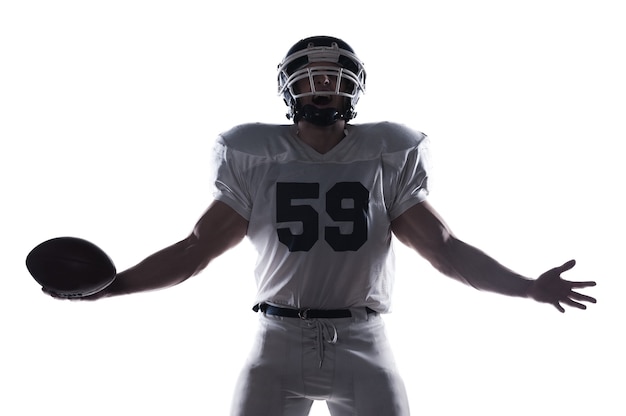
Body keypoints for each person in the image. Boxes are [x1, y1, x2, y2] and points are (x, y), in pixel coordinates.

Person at [52, 36, 597, 415]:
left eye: (331, 80)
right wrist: (112, 286)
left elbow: (446, 250)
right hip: (277, 340)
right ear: (291, 90)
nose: (320, 89)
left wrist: (527, 286)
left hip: (364, 339)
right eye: (309, 79)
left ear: (351, 89)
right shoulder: (254, 154)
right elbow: (196, 250)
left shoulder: (387, 152)